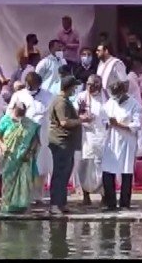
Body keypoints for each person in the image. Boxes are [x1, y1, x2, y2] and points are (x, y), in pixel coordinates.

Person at [7, 72, 54, 205]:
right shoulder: (18, 95)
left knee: (41, 166)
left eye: (33, 85)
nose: (30, 87)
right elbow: (10, 114)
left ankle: (38, 196)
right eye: (28, 85)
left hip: (42, 136)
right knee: (24, 165)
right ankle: (23, 196)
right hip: (23, 135)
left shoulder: (48, 96)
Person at [47, 76, 88, 214]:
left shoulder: (65, 101)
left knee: (65, 174)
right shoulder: (60, 102)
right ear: (69, 87)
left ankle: (61, 203)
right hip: (61, 142)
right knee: (59, 173)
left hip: (67, 143)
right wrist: (81, 120)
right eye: (74, 87)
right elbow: (64, 122)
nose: (75, 90)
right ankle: (55, 205)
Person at [102, 81, 142, 211]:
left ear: (123, 92)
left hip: (127, 142)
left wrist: (118, 124)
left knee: (126, 172)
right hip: (111, 141)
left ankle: (125, 203)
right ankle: (110, 203)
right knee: (107, 171)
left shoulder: (134, 105)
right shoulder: (110, 103)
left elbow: (136, 126)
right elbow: (102, 120)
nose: (115, 98)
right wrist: (108, 123)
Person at [0, 101, 41, 213]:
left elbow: (36, 139)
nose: (20, 116)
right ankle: (7, 207)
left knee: (24, 182)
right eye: (18, 112)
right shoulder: (6, 120)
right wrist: (2, 145)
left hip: (25, 157)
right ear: (13, 109)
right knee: (8, 181)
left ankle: (22, 207)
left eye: (22, 113)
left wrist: (30, 151)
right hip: (9, 157)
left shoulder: (30, 124)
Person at [74, 75, 108, 206]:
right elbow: (74, 113)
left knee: (101, 166)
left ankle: (103, 195)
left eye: (92, 84)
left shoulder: (106, 97)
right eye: (88, 84)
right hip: (85, 136)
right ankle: (86, 195)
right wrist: (83, 116)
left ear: (98, 85)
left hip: (101, 135)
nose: (89, 87)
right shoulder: (81, 97)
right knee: (85, 165)